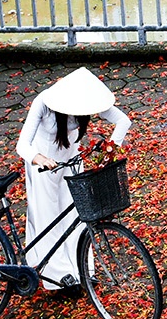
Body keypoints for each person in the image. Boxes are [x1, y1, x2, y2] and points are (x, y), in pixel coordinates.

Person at [15, 66, 131, 289]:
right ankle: (58, 276)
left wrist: (111, 148)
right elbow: (22, 145)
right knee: (47, 215)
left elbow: (123, 121)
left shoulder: (85, 105)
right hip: (44, 167)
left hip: (71, 162)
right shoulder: (44, 103)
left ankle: (82, 268)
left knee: (77, 214)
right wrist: (39, 159)